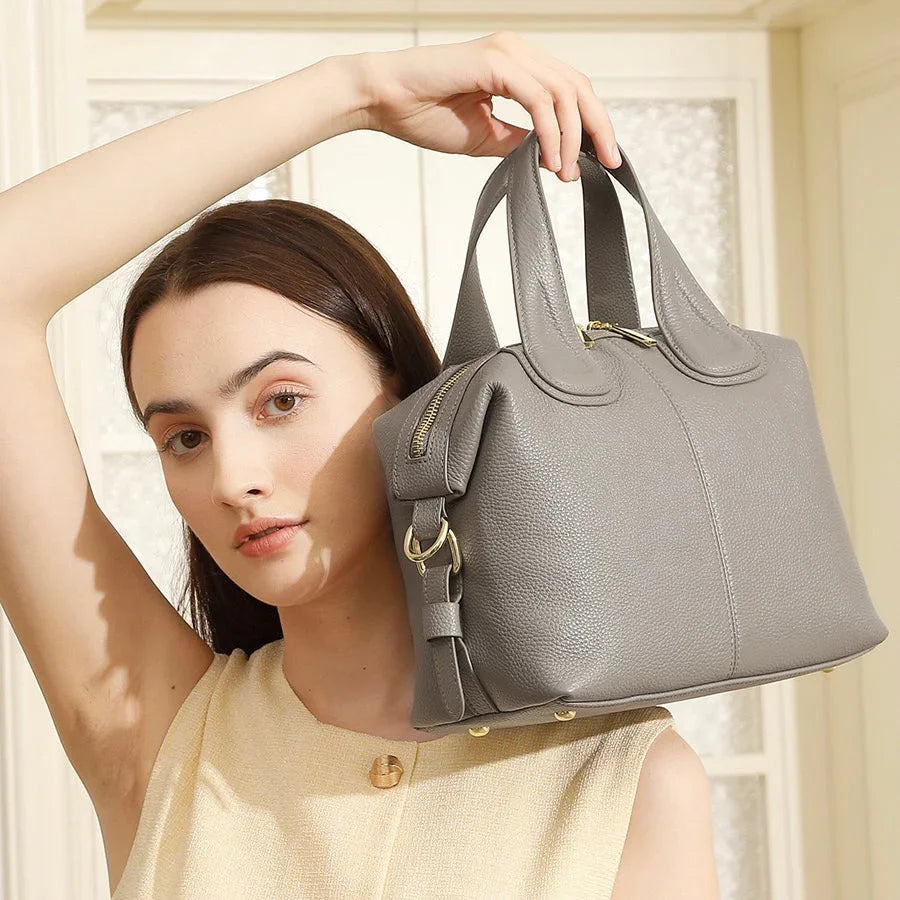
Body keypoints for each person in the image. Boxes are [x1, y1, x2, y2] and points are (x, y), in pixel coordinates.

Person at [0, 31, 719, 899]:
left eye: (280, 401)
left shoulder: (621, 780)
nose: (232, 479)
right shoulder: (159, 738)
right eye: (184, 437)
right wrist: (353, 92)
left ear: (407, 403)